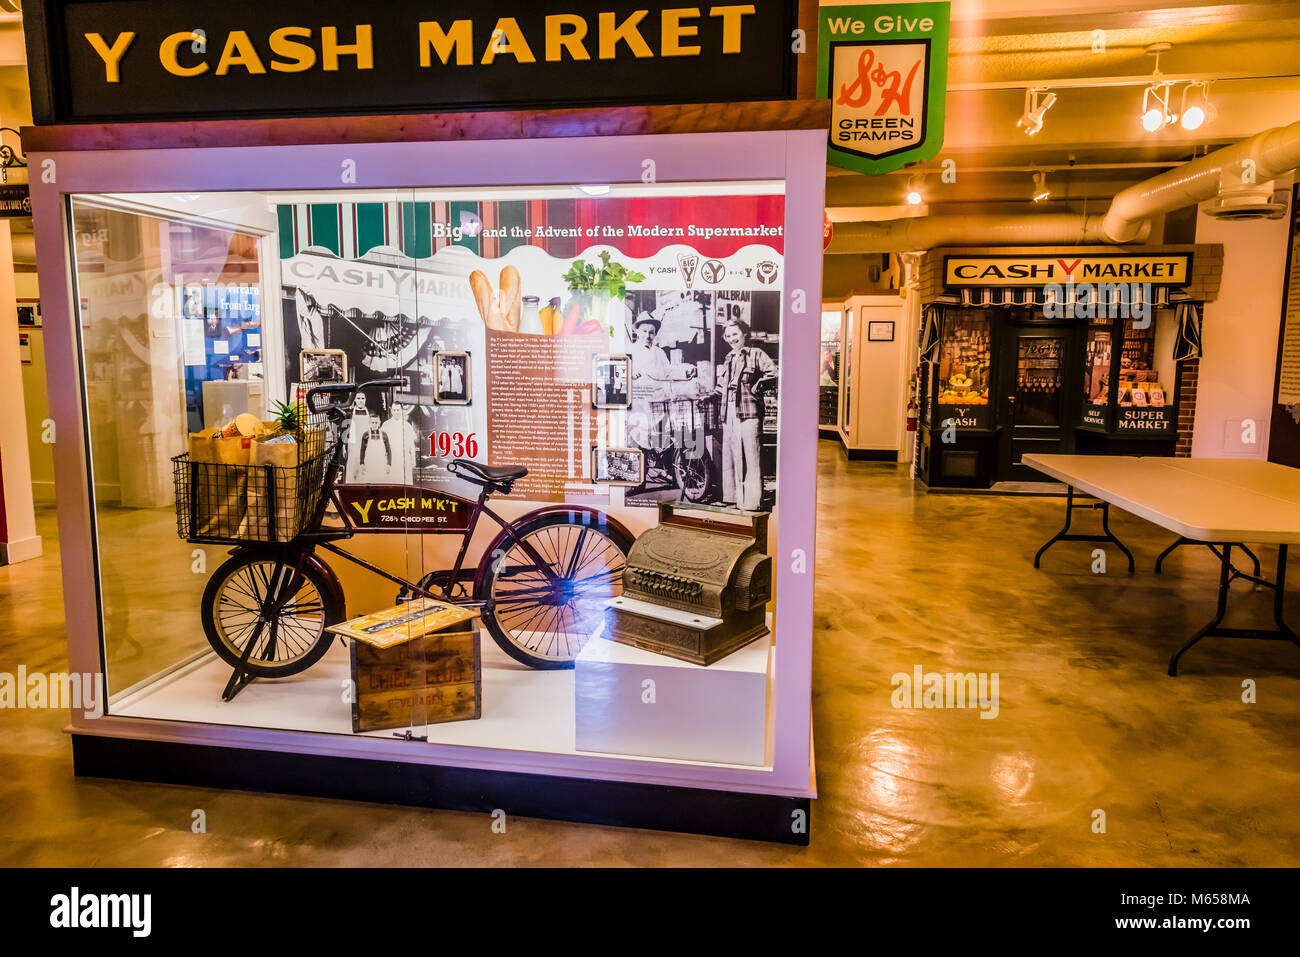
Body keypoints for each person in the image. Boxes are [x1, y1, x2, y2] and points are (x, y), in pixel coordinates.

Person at [716, 319, 775, 511]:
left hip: (749, 411)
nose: (732, 338)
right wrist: (706, 396)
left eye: (735, 334)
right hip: (729, 411)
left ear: (744, 334)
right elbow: (720, 387)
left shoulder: (756, 354)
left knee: (751, 455)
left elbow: (773, 373)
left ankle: (751, 502)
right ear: (725, 338)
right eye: (728, 335)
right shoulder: (727, 359)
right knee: (731, 456)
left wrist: (757, 386)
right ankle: (733, 498)